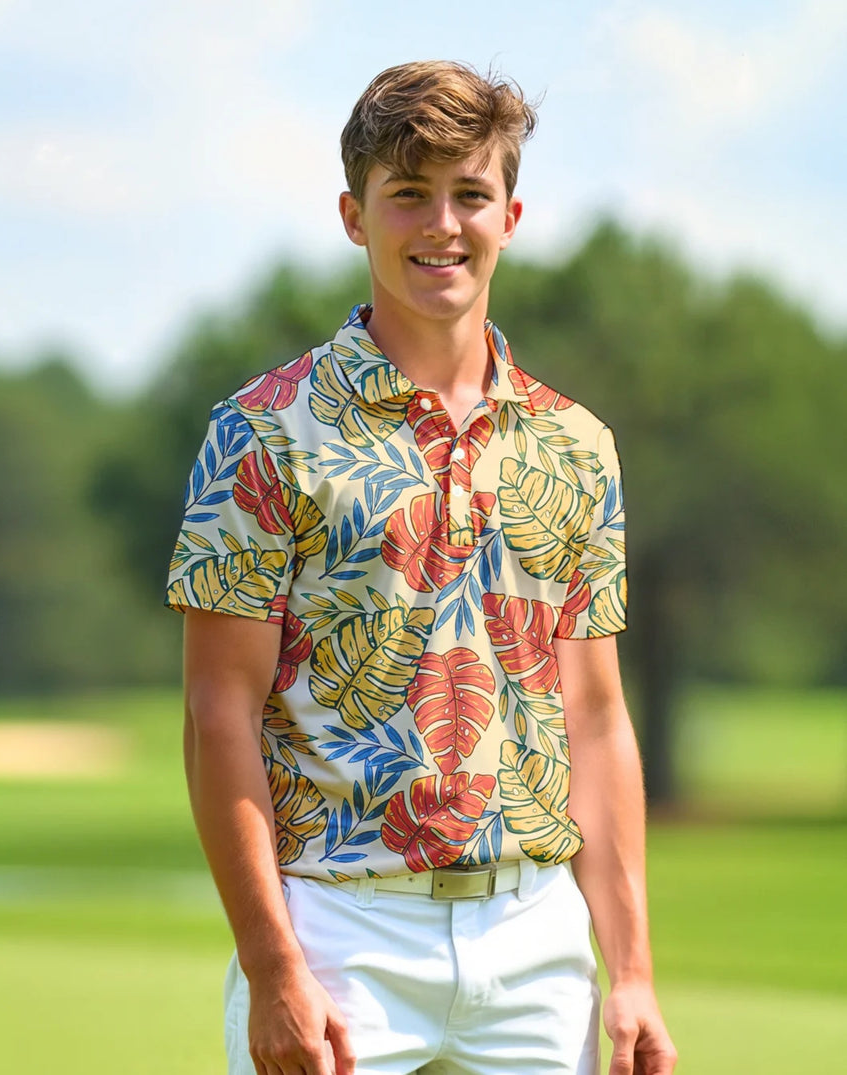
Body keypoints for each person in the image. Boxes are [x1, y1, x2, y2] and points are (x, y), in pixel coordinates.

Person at [165, 60, 677, 1075]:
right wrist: (273, 969)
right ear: (355, 216)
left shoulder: (575, 444)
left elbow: (596, 717)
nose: (441, 223)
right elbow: (217, 711)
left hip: (535, 940)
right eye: (408, 194)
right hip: (336, 937)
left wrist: (629, 969)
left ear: (510, 214)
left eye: (468, 194)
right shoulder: (262, 432)